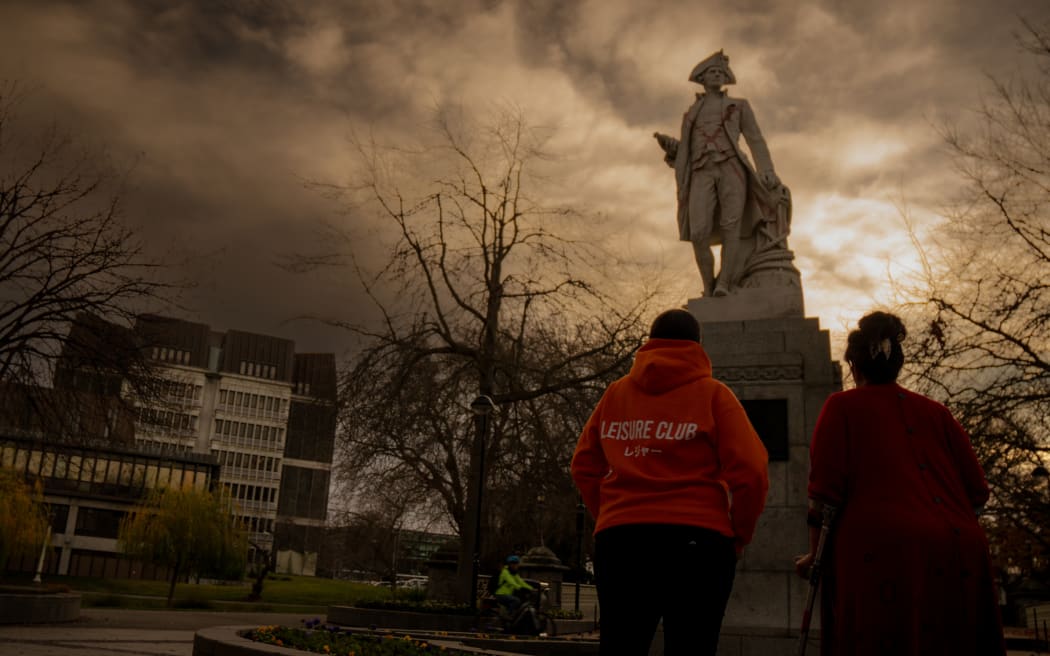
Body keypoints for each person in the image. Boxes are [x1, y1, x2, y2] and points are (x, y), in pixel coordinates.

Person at [796, 311, 1005, 655]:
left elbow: (823, 496)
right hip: (961, 547)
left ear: (854, 366)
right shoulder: (937, 412)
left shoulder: (842, 406)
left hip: (882, 551)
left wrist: (815, 556)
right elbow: (978, 491)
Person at [571, 308, 769, 655]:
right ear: (697, 346)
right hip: (698, 543)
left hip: (621, 544)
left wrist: (613, 514)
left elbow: (583, 466)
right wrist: (739, 534)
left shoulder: (615, 395)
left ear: (650, 343)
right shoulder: (715, 396)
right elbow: (751, 471)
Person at [655, 50, 782, 297]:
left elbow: (755, 139)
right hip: (702, 172)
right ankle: (708, 285)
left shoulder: (739, 106)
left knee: (731, 227)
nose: (716, 75)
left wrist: (766, 170)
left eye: (720, 72)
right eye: (712, 72)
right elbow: (688, 150)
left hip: (732, 168)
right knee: (699, 231)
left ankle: (724, 283)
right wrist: (672, 148)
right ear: (702, 78)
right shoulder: (690, 114)